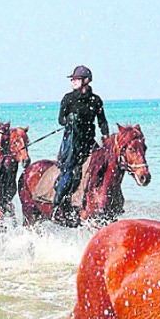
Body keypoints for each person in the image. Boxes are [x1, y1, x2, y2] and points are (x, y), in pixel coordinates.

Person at [53, 66, 109, 220]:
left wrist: (106, 137)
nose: (73, 81)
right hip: (71, 141)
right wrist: (69, 118)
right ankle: (57, 206)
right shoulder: (68, 98)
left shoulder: (95, 100)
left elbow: (102, 121)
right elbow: (60, 120)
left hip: (89, 141)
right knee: (69, 170)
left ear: (86, 81)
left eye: (76, 79)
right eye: (72, 79)